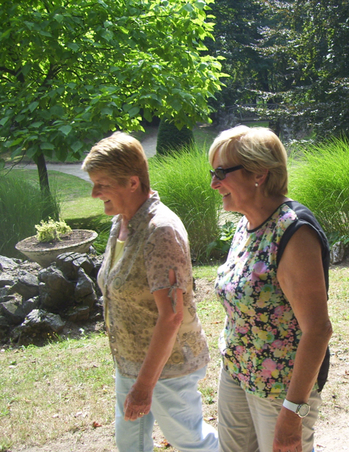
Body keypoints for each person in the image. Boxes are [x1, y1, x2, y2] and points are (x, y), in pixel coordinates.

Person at [81, 132, 218, 451]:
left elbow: (171, 316)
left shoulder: (161, 231)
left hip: (168, 366)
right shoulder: (122, 224)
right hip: (130, 362)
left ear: (132, 182)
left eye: (101, 183)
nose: (93, 193)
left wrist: (145, 386)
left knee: (190, 440)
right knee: (130, 443)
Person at [209, 125, 333, 452]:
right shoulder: (245, 224)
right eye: (212, 172)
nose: (214, 183)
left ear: (259, 173)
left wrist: (293, 412)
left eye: (221, 172)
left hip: (281, 387)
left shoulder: (294, 231)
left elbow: (318, 329)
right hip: (237, 371)